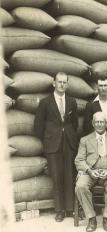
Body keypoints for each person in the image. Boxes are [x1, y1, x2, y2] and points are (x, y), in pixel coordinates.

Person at [34, 72, 79, 222]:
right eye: (59, 82)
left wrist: (70, 136)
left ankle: (70, 209)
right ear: (54, 83)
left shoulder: (72, 101)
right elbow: (38, 126)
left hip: (69, 143)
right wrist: (49, 138)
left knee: (69, 175)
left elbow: (74, 124)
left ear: (67, 84)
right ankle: (59, 210)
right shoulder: (45, 102)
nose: (61, 85)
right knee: (56, 176)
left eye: (64, 82)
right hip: (52, 144)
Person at [74, 112, 107, 232]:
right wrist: (89, 171)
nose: (99, 124)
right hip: (91, 172)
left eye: (102, 122)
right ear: (93, 123)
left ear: (106, 123)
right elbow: (79, 160)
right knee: (80, 186)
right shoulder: (85, 140)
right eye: (97, 122)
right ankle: (91, 218)